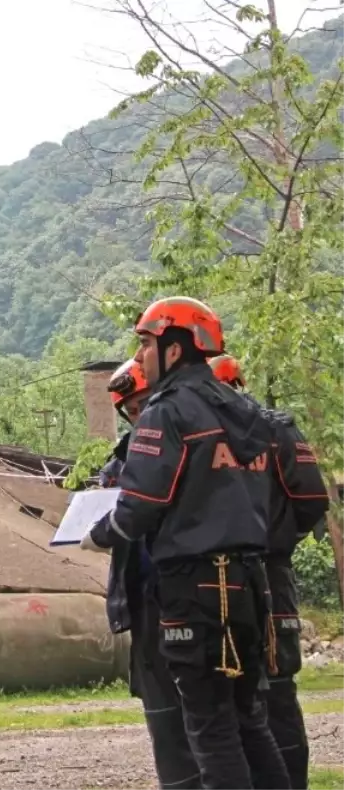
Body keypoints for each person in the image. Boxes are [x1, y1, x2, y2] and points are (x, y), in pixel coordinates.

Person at [84, 296, 291, 790]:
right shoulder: (248, 411)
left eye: (146, 343)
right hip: (249, 583)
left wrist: (101, 533)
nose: (141, 357)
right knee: (249, 719)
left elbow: (142, 502)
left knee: (210, 725)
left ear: (175, 349)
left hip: (194, 589)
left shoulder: (166, 412)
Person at [210, 354, 329, 790]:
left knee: (276, 690)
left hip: (268, 575)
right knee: (234, 693)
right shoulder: (204, 433)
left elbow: (312, 499)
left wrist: (275, 541)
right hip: (229, 574)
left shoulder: (274, 429)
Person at [99, 359, 199, 790]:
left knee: (209, 713)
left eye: (145, 404)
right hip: (143, 598)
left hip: (191, 593)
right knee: (162, 715)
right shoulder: (119, 460)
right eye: (132, 411)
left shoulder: (193, 444)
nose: (142, 417)